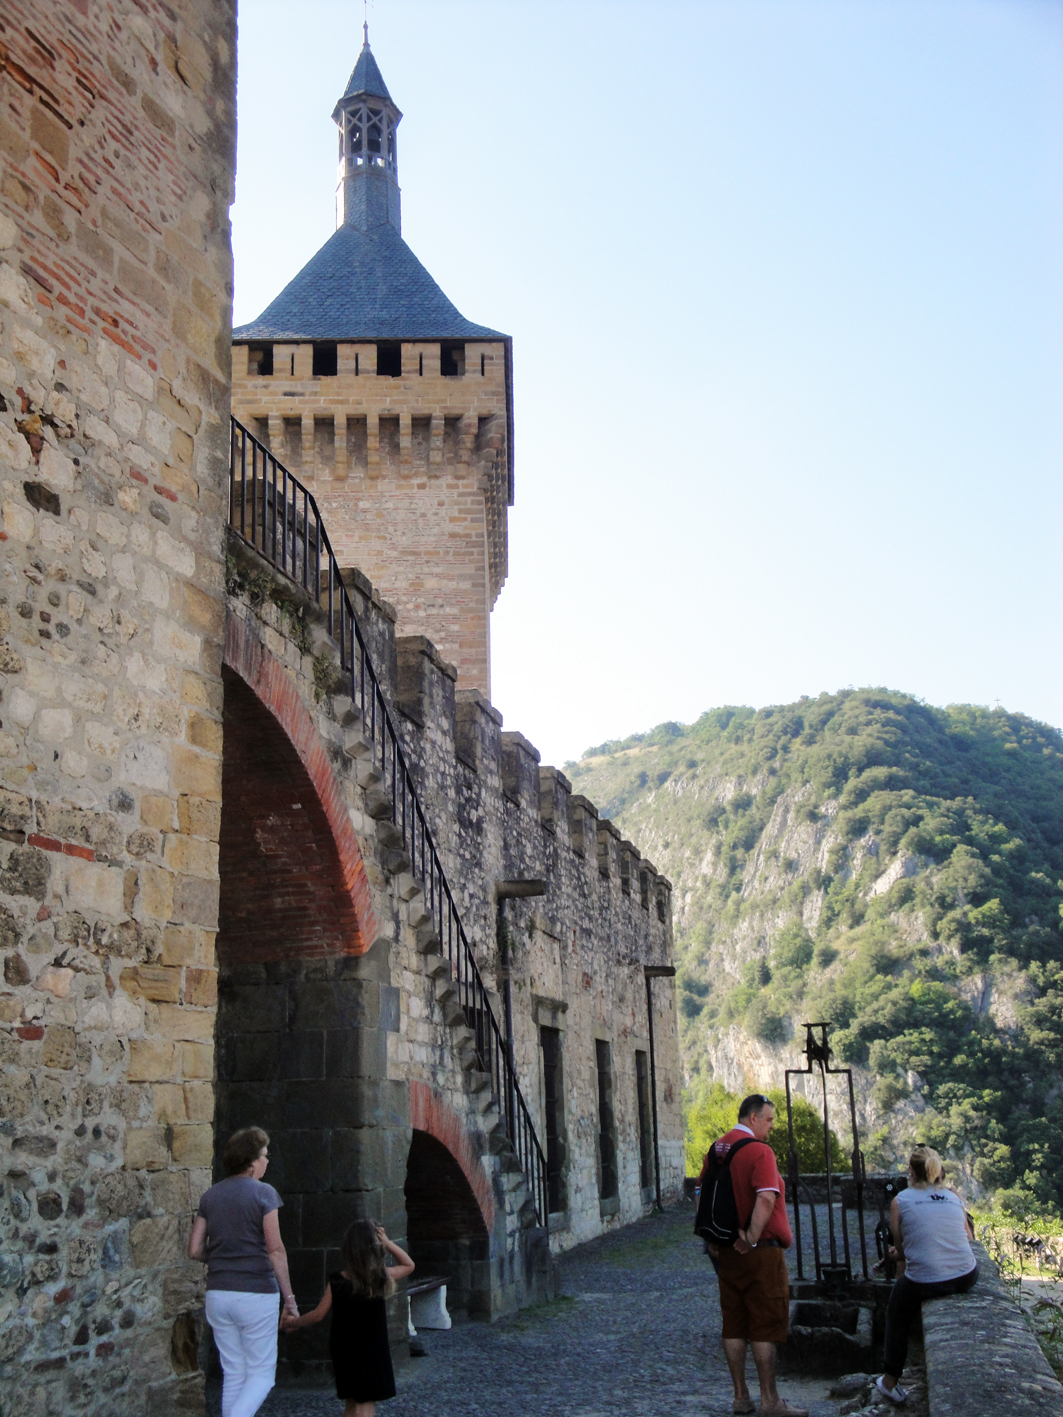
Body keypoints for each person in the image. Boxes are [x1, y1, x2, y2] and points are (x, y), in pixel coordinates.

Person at [702, 1094, 807, 1417]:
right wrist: (750, 1237)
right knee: (764, 1326)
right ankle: (770, 1402)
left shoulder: (717, 1148)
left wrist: (711, 1239)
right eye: (769, 1120)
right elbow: (765, 1199)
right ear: (752, 1118)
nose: (772, 1127)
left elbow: (700, 1192)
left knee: (733, 1324)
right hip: (760, 1253)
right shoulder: (760, 1152)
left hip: (725, 1253)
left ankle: (740, 1397)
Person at [187, 1126, 299, 1417]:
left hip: (218, 1294)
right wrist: (290, 1300)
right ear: (251, 1162)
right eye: (264, 1156)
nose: (267, 1161)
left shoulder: (210, 1196)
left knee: (234, 1373)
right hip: (256, 1293)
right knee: (262, 1375)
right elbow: (275, 1250)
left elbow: (194, 1249)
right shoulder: (264, 1194)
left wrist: (222, 1256)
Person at [281, 1219, 415, 1417]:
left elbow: (318, 1315)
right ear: (375, 1247)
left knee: (352, 1402)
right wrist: (386, 1241)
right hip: (372, 1349)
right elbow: (409, 1264)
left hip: (344, 1349)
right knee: (366, 1404)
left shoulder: (338, 1281)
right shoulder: (379, 1278)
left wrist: (293, 1322)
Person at [876, 1144, 977, 1407]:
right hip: (966, 1274)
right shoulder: (953, 1197)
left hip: (925, 1281)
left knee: (896, 1312)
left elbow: (903, 1250)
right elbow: (967, 1236)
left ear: (911, 1170)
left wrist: (892, 1255)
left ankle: (890, 1382)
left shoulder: (901, 1201)